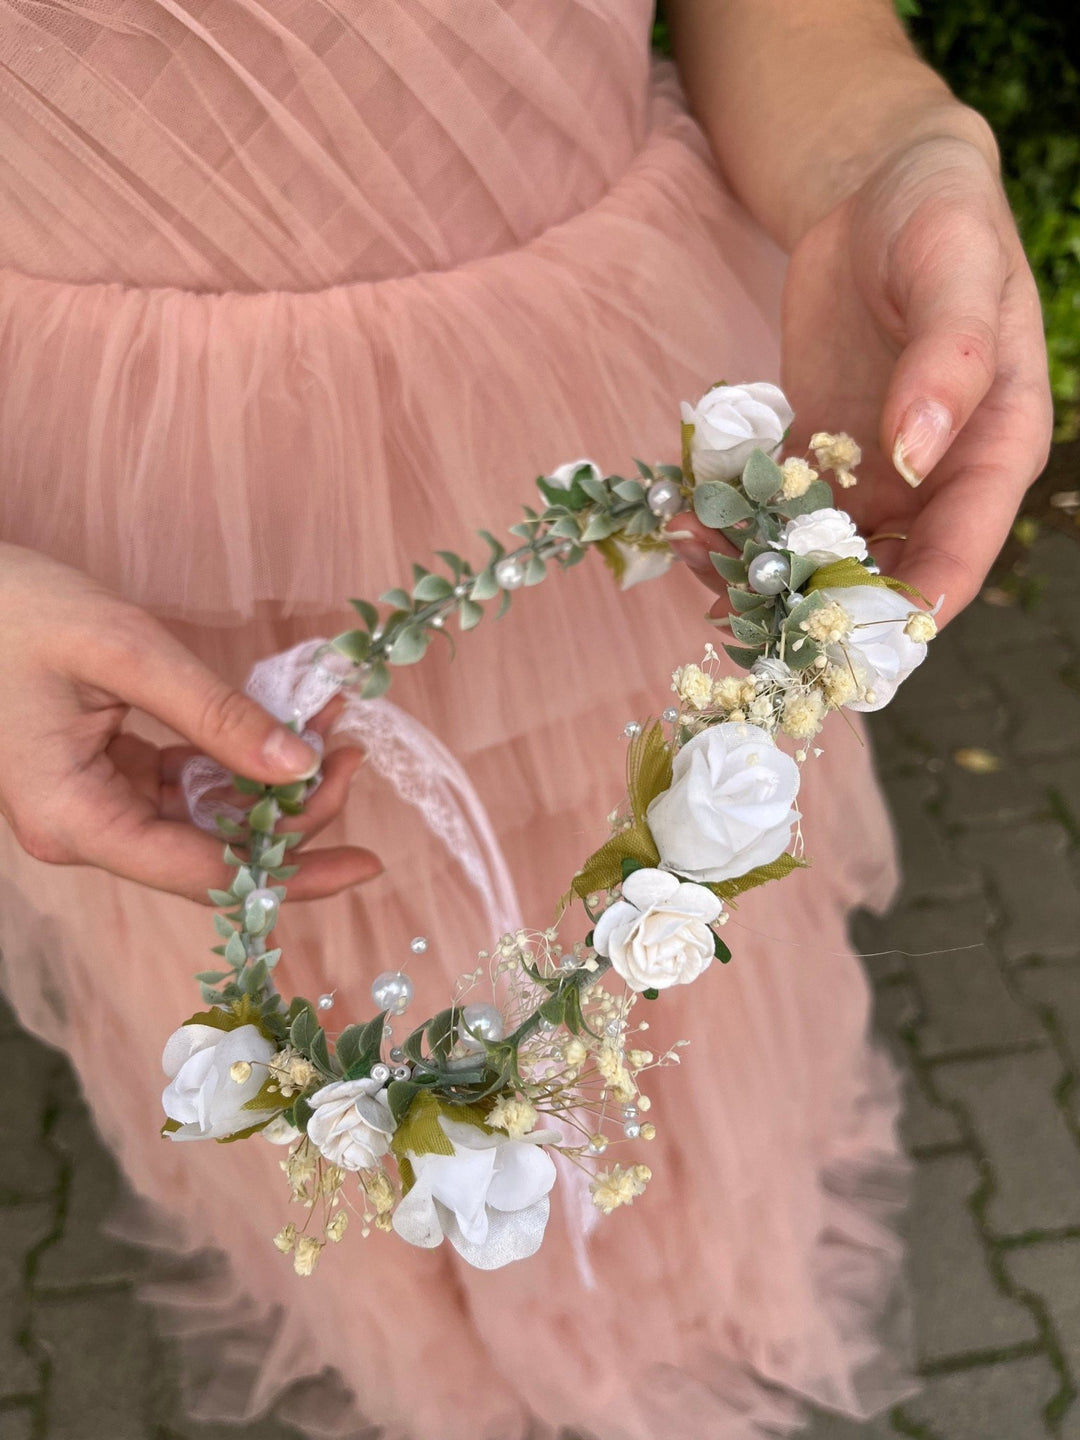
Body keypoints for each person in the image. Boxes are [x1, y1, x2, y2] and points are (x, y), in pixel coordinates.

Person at [0, 2, 1051, 1437]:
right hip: (130, 510)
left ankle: (650, 1336)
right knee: (301, 1011)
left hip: (599, 381)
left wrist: (886, 151)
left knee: (673, 1005)